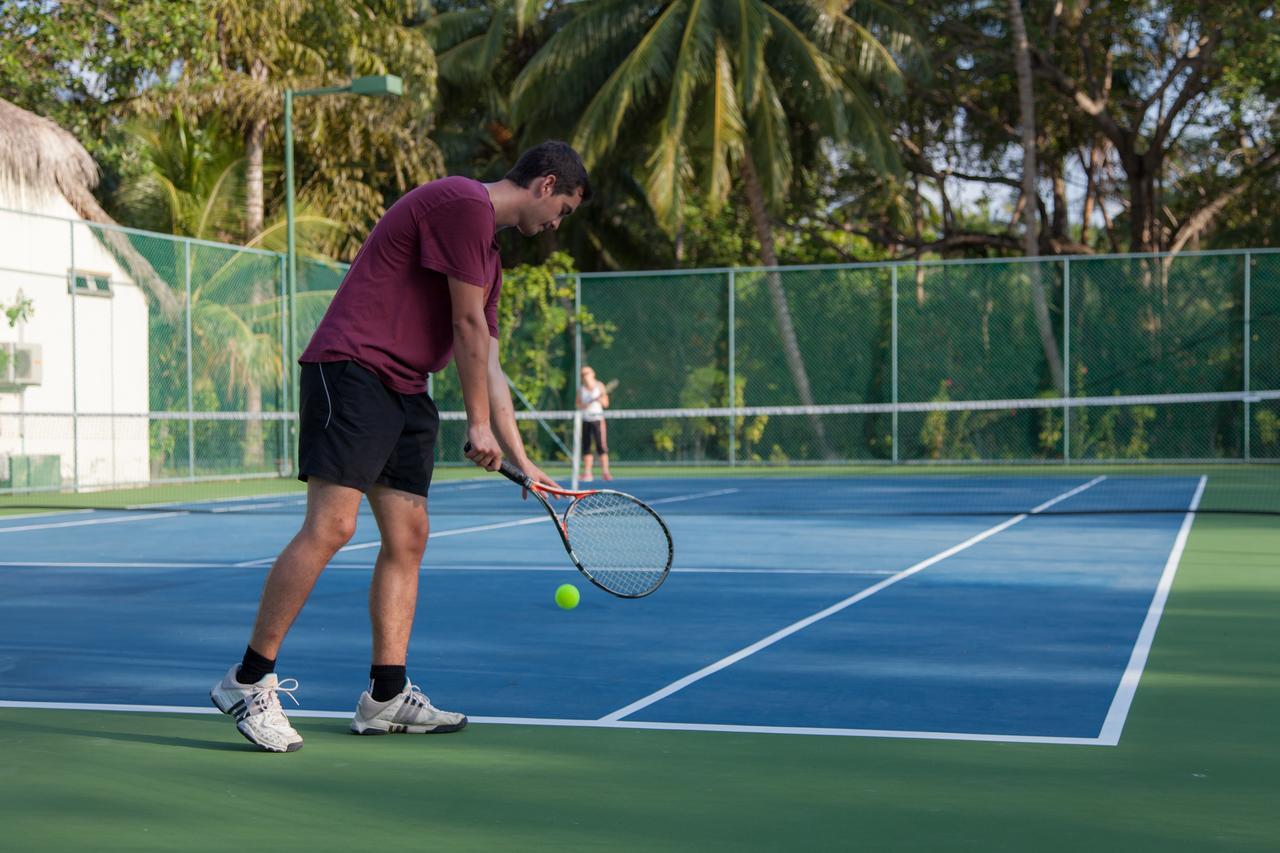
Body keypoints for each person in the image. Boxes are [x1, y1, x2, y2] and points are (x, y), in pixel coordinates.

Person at [210, 142, 590, 752]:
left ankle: (385, 695)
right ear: (546, 185)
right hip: (353, 369)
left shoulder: (489, 256)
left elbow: (489, 361)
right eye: (564, 209)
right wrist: (476, 426)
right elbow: (464, 328)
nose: (556, 224)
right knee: (333, 525)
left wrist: (522, 456)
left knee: (409, 536)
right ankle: (247, 680)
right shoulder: (464, 204)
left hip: (405, 387)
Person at [577, 365, 611, 481]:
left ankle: (605, 472)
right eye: (582, 374)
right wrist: (585, 405)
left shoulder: (599, 386)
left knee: (601, 446)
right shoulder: (581, 389)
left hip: (598, 419)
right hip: (585, 419)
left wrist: (599, 399)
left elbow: (606, 403)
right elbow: (578, 404)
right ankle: (587, 473)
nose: (585, 376)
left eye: (587, 373)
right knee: (586, 446)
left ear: (593, 374)